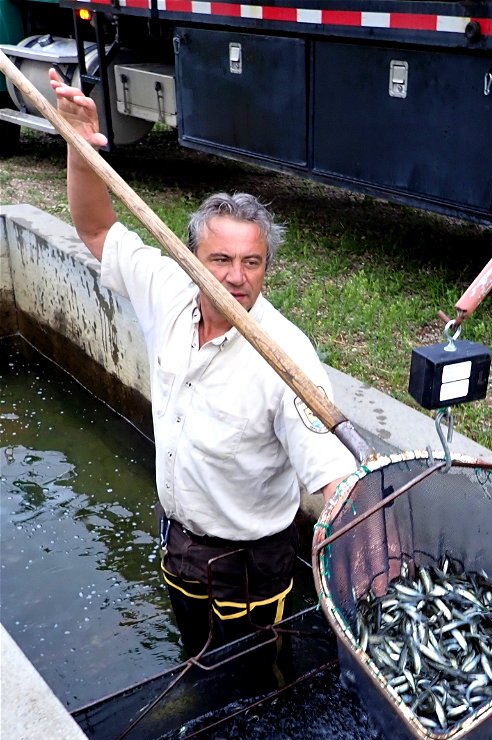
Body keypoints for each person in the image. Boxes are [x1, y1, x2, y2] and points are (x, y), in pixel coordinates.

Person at [50, 69, 357, 664]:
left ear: (267, 267)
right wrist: (78, 146)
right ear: (192, 257)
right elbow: (95, 228)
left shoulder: (286, 358)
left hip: (251, 565)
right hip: (180, 539)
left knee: (251, 678)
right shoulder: (166, 289)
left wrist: (362, 535)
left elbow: (332, 477)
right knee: (197, 657)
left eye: (252, 262)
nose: (236, 278)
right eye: (219, 258)